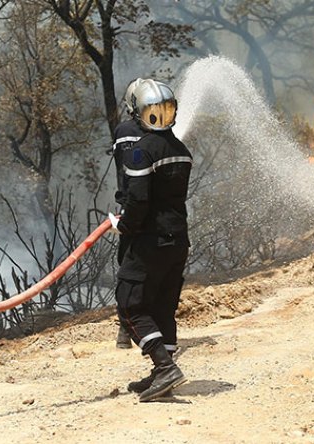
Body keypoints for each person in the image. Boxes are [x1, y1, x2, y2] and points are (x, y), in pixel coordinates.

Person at [108, 78, 192, 401]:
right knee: (162, 307)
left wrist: (123, 226)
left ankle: (165, 366)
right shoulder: (182, 151)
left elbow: (139, 201)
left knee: (129, 303)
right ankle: (162, 372)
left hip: (149, 242)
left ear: (137, 111)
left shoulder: (141, 152)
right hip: (178, 241)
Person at [111, 79, 147, 350]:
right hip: (158, 214)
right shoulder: (160, 135)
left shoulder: (122, 131)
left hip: (131, 210)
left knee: (128, 270)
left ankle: (127, 329)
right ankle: (142, 330)